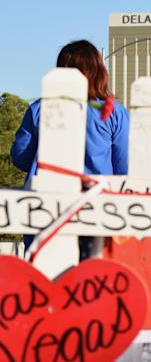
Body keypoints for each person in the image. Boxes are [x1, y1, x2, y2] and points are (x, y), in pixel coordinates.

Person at [11, 40, 129, 256]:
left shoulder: (38, 109)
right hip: (97, 208)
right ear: (99, 71)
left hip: (45, 207)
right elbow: (124, 167)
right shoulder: (113, 113)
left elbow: (19, 156)